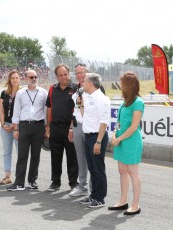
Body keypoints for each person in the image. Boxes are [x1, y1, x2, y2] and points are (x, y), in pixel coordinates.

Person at [109, 71, 144, 215]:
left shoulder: (138, 102)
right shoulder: (125, 103)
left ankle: (135, 205)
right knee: (122, 171)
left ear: (128, 85)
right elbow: (119, 123)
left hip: (131, 142)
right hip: (121, 140)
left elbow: (134, 127)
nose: (120, 85)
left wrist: (119, 138)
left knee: (132, 173)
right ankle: (123, 201)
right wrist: (113, 135)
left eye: (122, 83)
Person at [7, 70, 47, 191]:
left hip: (39, 126)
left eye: (35, 76)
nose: (34, 78)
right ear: (26, 78)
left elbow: (46, 111)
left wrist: (46, 127)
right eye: (31, 77)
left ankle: (32, 181)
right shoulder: (20, 93)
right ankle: (19, 183)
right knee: (22, 155)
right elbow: (16, 111)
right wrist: (15, 128)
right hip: (24, 126)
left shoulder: (43, 92)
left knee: (36, 155)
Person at [45, 64, 79, 192]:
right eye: (61, 75)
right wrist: (48, 126)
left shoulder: (76, 88)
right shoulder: (52, 89)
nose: (64, 77)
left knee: (72, 157)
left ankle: (73, 183)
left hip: (70, 128)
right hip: (55, 128)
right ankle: (55, 182)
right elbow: (49, 108)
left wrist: (72, 128)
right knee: (55, 156)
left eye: (65, 74)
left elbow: (78, 109)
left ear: (69, 74)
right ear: (57, 77)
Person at [82, 73, 110, 208]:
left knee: (98, 168)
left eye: (85, 81)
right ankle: (93, 195)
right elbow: (85, 115)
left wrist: (98, 141)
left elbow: (104, 122)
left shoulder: (102, 99)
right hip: (88, 136)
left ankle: (100, 198)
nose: (82, 83)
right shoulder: (86, 96)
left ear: (91, 83)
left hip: (97, 137)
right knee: (92, 168)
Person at [68, 63, 89, 197]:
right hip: (77, 126)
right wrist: (71, 128)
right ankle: (82, 186)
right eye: (77, 73)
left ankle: (94, 188)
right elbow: (73, 109)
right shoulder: (75, 88)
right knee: (80, 158)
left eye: (82, 72)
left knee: (92, 158)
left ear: (87, 72)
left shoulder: (95, 87)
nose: (79, 75)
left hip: (89, 126)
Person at [0, 70, 21, 185]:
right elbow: (1, 110)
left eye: (17, 78)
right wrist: (3, 124)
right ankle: (7, 176)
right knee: (7, 151)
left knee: (20, 152)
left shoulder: (22, 92)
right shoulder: (4, 93)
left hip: (17, 126)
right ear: (9, 80)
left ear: (19, 79)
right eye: (13, 78)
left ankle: (19, 176)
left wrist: (15, 125)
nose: (15, 80)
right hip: (6, 125)